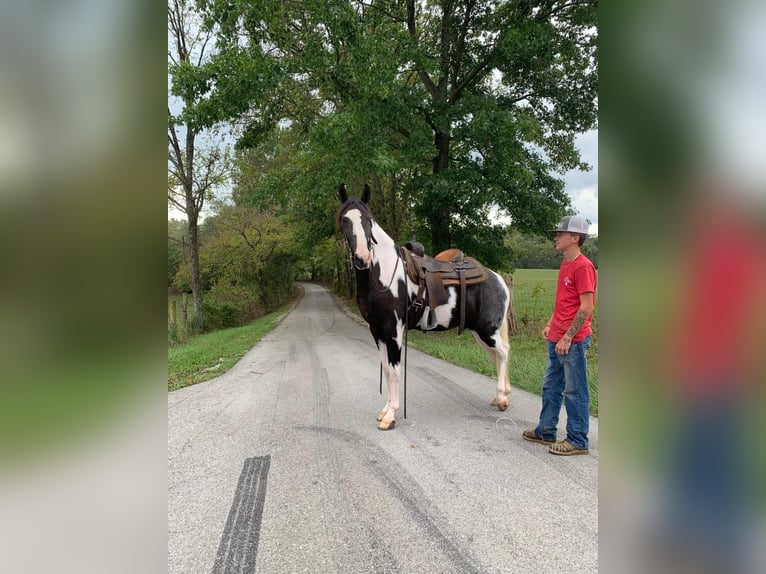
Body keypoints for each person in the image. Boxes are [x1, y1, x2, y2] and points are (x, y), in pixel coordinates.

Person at [522, 215, 597, 455]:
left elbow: (586, 307)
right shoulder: (566, 263)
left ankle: (577, 440)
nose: (556, 237)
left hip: (572, 341)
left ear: (574, 238)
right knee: (551, 385)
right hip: (558, 336)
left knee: (574, 390)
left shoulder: (583, 266)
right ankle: (546, 430)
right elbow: (564, 302)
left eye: (560, 234)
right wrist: (551, 324)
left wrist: (567, 337)